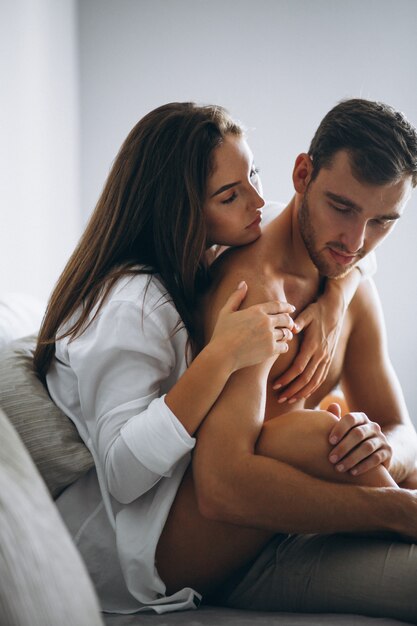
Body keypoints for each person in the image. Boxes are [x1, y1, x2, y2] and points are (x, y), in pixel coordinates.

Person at [33, 102, 366, 613]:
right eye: (231, 195)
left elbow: (337, 244)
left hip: (192, 499)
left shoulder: (208, 251)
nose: (258, 199)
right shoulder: (131, 304)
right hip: (144, 546)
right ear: (180, 210)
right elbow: (122, 473)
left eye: (252, 172)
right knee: (324, 439)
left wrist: (335, 299)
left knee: (350, 439)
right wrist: (222, 356)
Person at [155, 99, 417, 623]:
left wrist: (381, 447)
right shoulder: (253, 294)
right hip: (226, 557)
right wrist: (397, 511)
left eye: (383, 221)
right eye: (341, 208)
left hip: (306, 521)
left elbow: (402, 429)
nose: (355, 243)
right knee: (318, 434)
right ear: (302, 174)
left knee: (346, 438)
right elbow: (222, 488)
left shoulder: (348, 286)